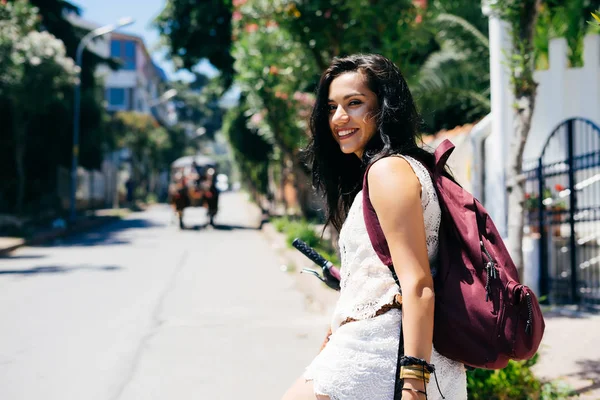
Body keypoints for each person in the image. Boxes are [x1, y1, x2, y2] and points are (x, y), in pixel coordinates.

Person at [281, 54, 467, 400]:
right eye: (332, 106)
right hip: (386, 352)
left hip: (382, 356)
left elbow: (418, 283)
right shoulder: (400, 169)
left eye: (354, 103)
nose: (339, 117)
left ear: (384, 108)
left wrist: (413, 384)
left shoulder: (387, 171)